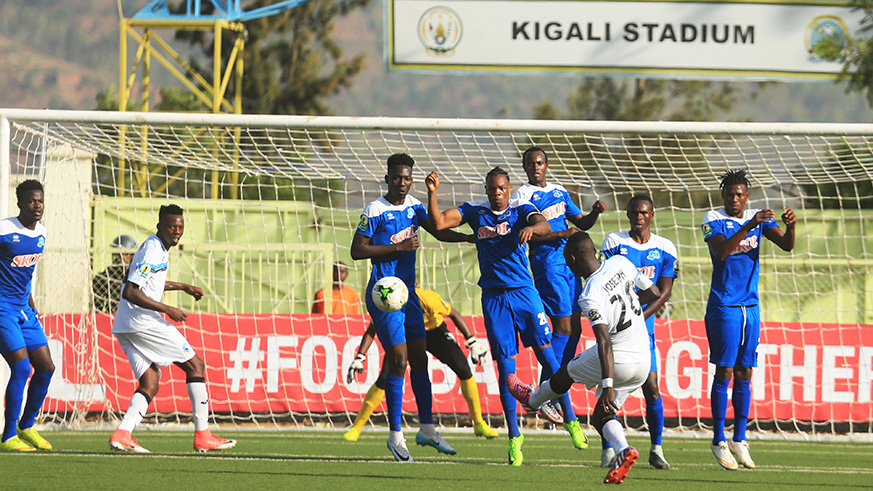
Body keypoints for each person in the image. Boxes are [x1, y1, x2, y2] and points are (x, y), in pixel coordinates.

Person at [425, 167, 588, 467]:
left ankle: (571, 421)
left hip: (525, 293)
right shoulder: (475, 213)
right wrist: (433, 193)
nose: (496, 193)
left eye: (501, 188)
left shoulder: (521, 209)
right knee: (507, 372)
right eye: (491, 189)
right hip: (495, 299)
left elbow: (543, 225)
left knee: (550, 360)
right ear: (487, 190)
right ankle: (515, 438)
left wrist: (532, 229)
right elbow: (436, 223)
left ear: (509, 189)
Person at [506, 231, 661, 484]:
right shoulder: (622, 262)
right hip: (643, 361)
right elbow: (654, 292)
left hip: (619, 359)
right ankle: (624, 451)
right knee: (601, 417)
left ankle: (532, 399)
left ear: (575, 258)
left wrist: (607, 386)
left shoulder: (589, 294)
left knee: (566, 372)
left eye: (567, 260)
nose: (567, 265)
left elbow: (604, 341)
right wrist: (630, 310)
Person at [350, 153, 470, 462]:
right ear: (388, 177)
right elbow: (357, 250)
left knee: (419, 360)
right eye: (397, 177)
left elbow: (439, 229)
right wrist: (397, 247)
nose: (402, 183)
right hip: (384, 293)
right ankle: (395, 435)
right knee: (398, 359)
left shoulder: (416, 206)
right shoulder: (374, 209)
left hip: (409, 296)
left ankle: (427, 428)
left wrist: (470, 239)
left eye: (407, 178)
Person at [108, 204, 236, 454]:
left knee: (150, 380)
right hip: (143, 321)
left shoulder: (156, 248)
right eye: (171, 226)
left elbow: (146, 283)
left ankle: (123, 433)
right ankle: (203, 435)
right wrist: (168, 309)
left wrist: (183, 287)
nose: (176, 231)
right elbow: (130, 291)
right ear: (160, 226)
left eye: (180, 227)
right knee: (195, 365)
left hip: (126, 324)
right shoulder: (153, 250)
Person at [701, 169, 795, 470]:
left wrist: (791, 227)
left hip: (750, 307)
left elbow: (787, 245)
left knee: (745, 372)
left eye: (740, 194)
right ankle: (718, 439)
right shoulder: (712, 219)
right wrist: (750, 225)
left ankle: (739, 438)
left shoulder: (760, 219)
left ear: (747, 196)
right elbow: (722, 252)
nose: (734, 199)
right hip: (724, 306)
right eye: (729, 194)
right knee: (725, 370)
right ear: (723, 196)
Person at [512, 146, 606, 423]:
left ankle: (553, 387)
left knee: (575, 327)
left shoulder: (559, 191)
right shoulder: (522, 196)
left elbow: (581, 223)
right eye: (530, 164)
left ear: (546, 164)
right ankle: (544, 393)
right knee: (563, 326)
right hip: (548, 266)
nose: (536, 167)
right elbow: (529, 235)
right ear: (525, 167)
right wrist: (564, 232)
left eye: (539, 162)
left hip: (570, 264)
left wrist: (595, 213)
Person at [343, 287, 498, 441]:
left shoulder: (428, 298)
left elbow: (453, 313)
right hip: (405, 334)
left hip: (433, 332)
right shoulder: (388, 302)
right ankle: (356, 428)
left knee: (463, 369)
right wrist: (360, 357)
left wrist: (472, 342)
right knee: (385, 378)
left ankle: (479, 423)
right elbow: (372, 328)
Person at [599, 195, 677, 469]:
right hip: (616, 333)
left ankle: (656, 448)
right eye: (634, 212)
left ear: (652, 214)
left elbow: (664, 292)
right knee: (610, 391)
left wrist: (637, 317)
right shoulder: (614, 243)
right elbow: (604, 281)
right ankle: (608, 449)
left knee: (652, 389)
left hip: (645, 333)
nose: (638, 216)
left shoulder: (665, 247)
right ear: (629, 214)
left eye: (643, 212)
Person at [0, 180, 55, 452]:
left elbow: (26, 274)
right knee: (21, 368)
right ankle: (9, 436)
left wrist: (31, 305)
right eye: (32, 201)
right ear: (20, 203)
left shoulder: (42, 233)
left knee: (46, 367)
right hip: (1, 309)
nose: (37, 206)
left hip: (23, 309)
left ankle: (27, 425)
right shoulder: (4, 230)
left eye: (40, 201)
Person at [93, 234, 137, 313]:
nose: (122, 257)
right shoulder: (107, 275)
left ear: (131, 255)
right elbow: (97, 304)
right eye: (119, 254)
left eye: (126, 254)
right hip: (113, 313)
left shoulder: (137, 273)